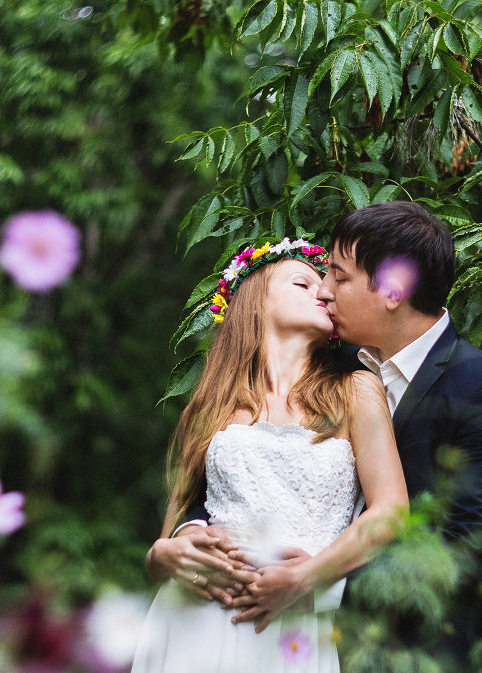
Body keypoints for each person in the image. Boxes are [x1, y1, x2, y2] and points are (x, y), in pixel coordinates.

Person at [152, 203, 482, 672]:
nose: (324, 293)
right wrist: (184, 539)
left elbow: (464, 552)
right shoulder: (331, 364)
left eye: (339, 277)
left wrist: (312, 578)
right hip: (245, 628)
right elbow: (231, 470)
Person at [132, 238, 409, 673]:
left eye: (328, 285)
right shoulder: (210, 407)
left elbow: (391, 512)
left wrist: (307, 577)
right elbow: (170, 537)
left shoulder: (356, 391)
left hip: (292, 623)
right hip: (194, 620)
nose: (323, 292)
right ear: (254, 303)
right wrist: (160, 557)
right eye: (303, 282)